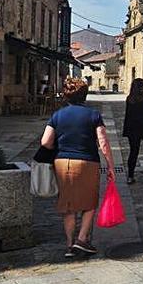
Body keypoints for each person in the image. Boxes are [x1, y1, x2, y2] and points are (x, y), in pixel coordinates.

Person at [40, 77, 115, 258]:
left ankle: (69, 245)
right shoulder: (93, 115)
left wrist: (56, 149)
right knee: (89, 203)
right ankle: (82, 240)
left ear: (66, 95)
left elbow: (45, 142)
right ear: (84, 95)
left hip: (61, 162)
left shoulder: (57, 115)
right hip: (87, 162)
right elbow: (103, 142)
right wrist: (110, 166)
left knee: (68, 205)